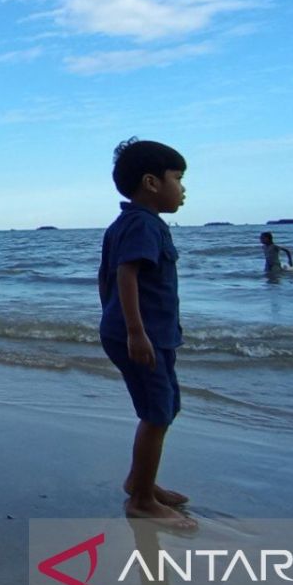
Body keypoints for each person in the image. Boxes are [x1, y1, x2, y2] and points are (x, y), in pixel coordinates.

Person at [98, 138, 195, 530]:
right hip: (143, 337)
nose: (183, 188)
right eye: (179, 178)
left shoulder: (133, 223)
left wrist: (116, 320)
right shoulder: (142, 224)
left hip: (147, 334)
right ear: (152, 182)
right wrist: (134, 332)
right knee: (157, 412)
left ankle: (142, 483)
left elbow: (104, 279)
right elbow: (126, 274)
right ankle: (140, 500)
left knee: (166, 407)